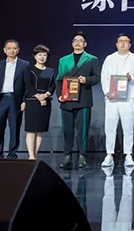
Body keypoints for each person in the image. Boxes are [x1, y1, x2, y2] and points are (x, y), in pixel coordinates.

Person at [56, 32, 101, 169]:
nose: (77, 43)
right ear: (72, 43)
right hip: (67, 99)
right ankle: (67, 156)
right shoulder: (63, 60)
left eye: (80, 41)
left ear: (85, 44)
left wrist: (86, 80)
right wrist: (59, 95)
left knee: (82, 130)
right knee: (67, 130)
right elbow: (59, 79)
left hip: (83, 99)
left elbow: (96, 78)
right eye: (75, 40)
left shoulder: (92, 59)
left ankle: (82, 156)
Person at [100, 33, 134, 168]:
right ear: (116, 44)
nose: (123, 43)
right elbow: (104, 77)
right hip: (112, 98)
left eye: (126, 41)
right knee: (110, 127)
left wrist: (132, 78)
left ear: (129, 45)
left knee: (128, 127)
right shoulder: (109, 59)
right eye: (121, 41)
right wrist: (107, 92)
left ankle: (128, 155)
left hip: (128, 97)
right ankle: (109, 154)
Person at [0, 39, 29, 159]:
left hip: (15, 100)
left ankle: (12, 154)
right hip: (0, 99)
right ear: (4, 50)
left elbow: (27, 85)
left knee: (14, 128)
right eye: (9, 48)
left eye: (14, 48)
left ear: (18, 50)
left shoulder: (25, 65)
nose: (11, 51)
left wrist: (24, 100)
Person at [22, 45, 55, 160]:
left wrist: (46, 95)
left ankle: (35, 154)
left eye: (44, 55)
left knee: (40, 130)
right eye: (39, 54)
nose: (42, 57)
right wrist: (38, 97)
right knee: (31, 130)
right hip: (32, 101)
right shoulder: (29, 69)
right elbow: (28, 85)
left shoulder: (50, 71)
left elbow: (52, 86)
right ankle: (31, 156)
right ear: (35, 56)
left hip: (46, 102)